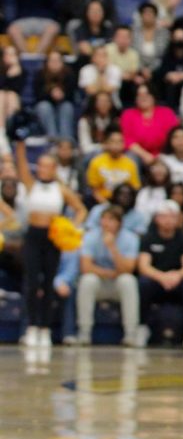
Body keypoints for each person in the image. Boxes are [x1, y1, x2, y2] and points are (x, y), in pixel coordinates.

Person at [14, 140, 87, 347]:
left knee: (48, 282)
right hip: (33, 236)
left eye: (48, 165)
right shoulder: (31, 184)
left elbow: (81, 209)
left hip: (53, 237)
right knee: (31, 282)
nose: (43, 169)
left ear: (55, 168)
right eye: (41, 165)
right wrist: (20, 146)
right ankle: (31, 327)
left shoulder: (61, 189)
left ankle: (45, 329)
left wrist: (71, 227)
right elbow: (21, 167)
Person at [76, 205, 140, 346]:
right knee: (87, 280)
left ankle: (130, 333)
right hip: (100, 282)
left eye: (111, 220)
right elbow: (85, 267)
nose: (106, 223)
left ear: (119, 223)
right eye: (103, 219)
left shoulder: (130, 238)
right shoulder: (91, 236)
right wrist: (109, 273)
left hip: (118, 284)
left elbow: (129, 269)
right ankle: (84, 331)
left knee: (128, 281)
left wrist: (112, 248)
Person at [137, 200, 183, 347]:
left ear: (178, 219)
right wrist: (161, 277)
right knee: (143, 283)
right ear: (156, 218)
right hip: (156, 280)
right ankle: (142, 326)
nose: (168, 220)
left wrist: (177, 275)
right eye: (164, 216)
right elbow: (144, 266)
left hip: (177, 280)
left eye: (172, 216)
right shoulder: (148, 238)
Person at [33, 50, 77, 143]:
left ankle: (66, 139)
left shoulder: (69, 75)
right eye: (52, 60)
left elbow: (72, 95)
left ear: (62, 62)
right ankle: (52, 137)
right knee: (44, 106)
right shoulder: (40, 75)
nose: (55, 63)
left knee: (67, 107)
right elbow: (37, 96)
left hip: (64, 103)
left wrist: (62, 95)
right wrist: (51, 94)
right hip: (46, 104)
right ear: (47, 62)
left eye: (57, 60)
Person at [86, 129, 141, 203]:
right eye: (112, 141)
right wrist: (106, 204)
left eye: (119, 141)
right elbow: (94, 190)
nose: (116, 144)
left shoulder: (130, 163)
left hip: (124, 203)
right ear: (106, 143)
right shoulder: (96, 162)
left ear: (124, 144)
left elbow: (135, 188)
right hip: (102, 201)